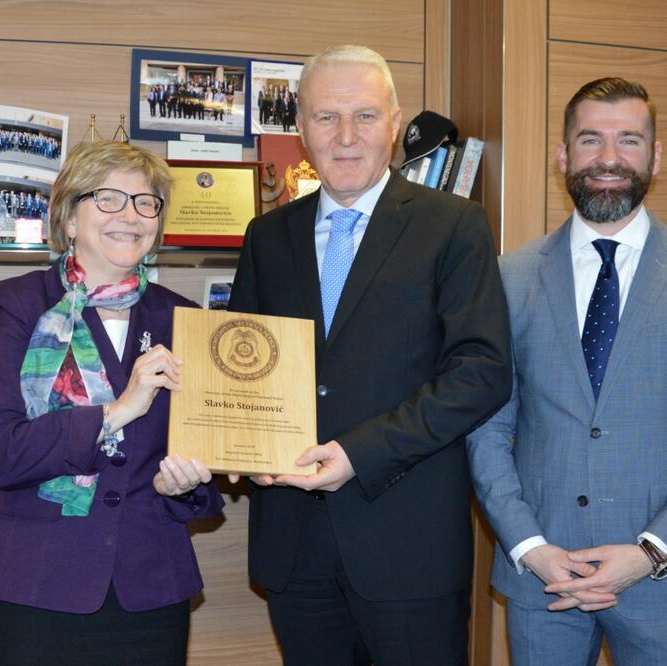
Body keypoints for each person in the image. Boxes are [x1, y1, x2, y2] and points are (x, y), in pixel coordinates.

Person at [228, 44, 512, 665]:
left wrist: (359, 452)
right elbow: (243, 367)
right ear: (300, 128)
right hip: (293, 540)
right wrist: (239, 441)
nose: (346, 136)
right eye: (327, 117)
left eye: (365, 115)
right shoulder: (267, 236)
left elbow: (482, 371)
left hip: (407, 543)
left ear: (394, 121)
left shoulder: (454, 223)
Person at [466, 77, 667, 665]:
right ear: (563, 155)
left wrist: (651, 552)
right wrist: (529, 545)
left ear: (655, 156)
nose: (608, 158)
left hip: (658, 581)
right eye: (590, 139)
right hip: (541, 579)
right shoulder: (509, 276)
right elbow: (486, 429)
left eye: (629, 140)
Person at [0, 140, 224, 666]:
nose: (130, 215)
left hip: (146, 589)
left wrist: (187, 484)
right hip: (30, 586)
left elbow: (198, 462)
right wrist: (117, 410)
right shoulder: (17, 304)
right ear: (69, 217)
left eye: (146, 202)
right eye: (108, 199)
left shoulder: (185, 319)